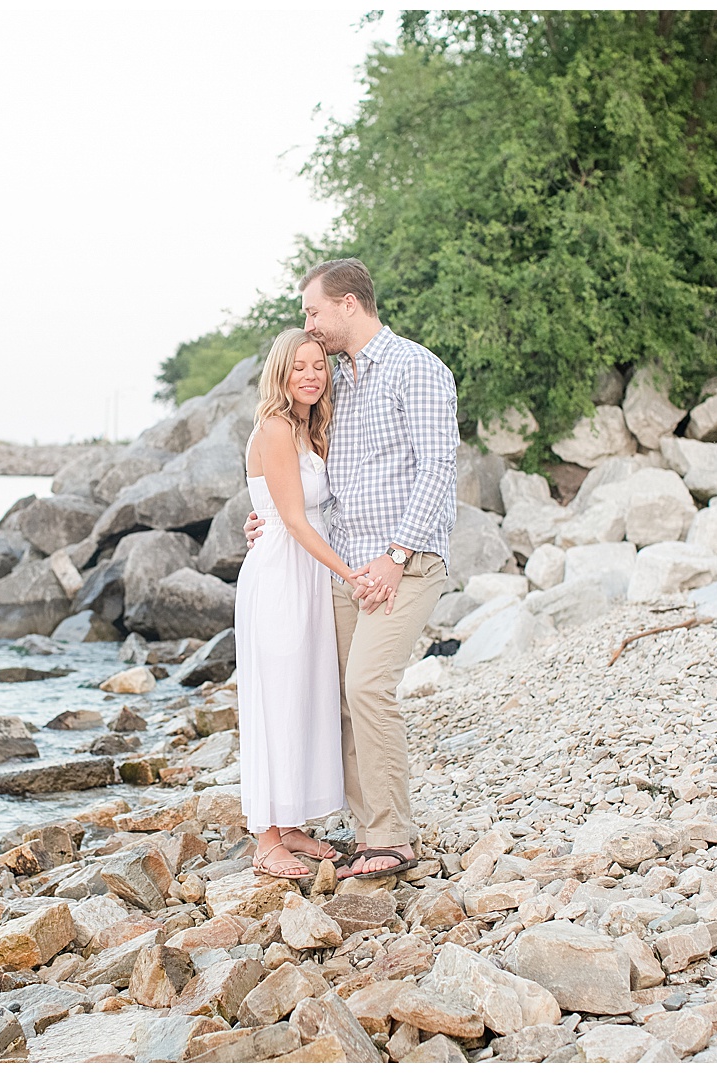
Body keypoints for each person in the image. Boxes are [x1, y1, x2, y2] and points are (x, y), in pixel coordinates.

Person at [245, 258, 458, 879]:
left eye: (312, 311)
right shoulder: (342, 380)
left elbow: (437, 470)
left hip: (405, 562)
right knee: (341, 698)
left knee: (367, 685)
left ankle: (392, 836)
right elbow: (309, 482)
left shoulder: (416, 368)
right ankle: (366, 834)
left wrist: (396, 557)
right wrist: (267, 518)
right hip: (344, 569)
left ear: (346, 304)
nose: (307, 324)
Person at [236, 328, 373, 879]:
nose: (311, 375)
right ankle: (266, 838)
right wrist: (353, 575)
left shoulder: (311, 428)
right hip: (284, 574)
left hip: (312, 572)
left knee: (307, 698)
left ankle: (292, 823)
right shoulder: (274, 428)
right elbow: (290, 519)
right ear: (280, 372)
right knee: (275, 699)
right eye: (300, 367)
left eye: (319, 365)